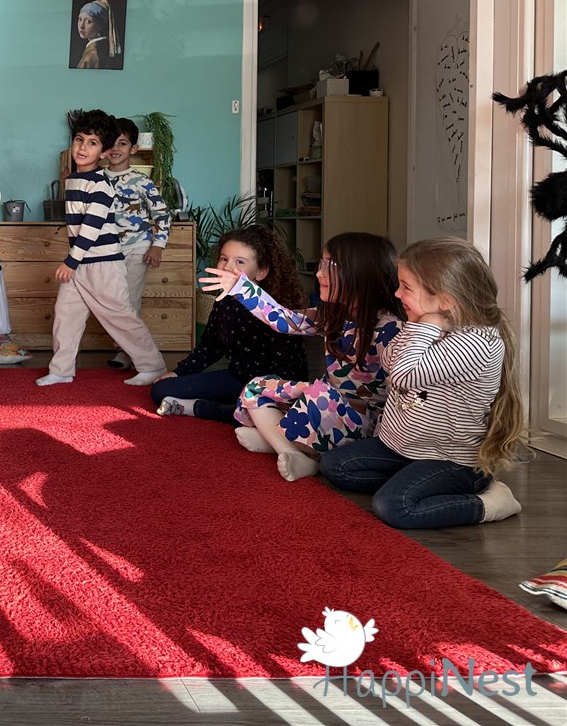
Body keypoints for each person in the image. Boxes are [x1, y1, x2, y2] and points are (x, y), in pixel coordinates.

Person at [320, 238, 526, 528]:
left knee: (393, 506)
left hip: (449, 459)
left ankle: (488, 503)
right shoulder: (429, 325)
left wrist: (425, 325)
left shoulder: (476, 343)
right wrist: (420, 324)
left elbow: (403, 376)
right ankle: (417, 482)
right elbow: (390, 360)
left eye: (406, 287)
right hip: (404, 448)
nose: (396, 293)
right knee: (334, 466)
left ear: (445, 300)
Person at [199, 231, 403, 481]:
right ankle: (290, 450)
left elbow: (399, 391)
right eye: (321, 264)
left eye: (330, 267)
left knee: (320, 394)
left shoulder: (389, 328)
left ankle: (278, 441)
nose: (319, 274)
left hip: (363, 420)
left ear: (361, 273)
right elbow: (283, 320)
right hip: (326, 403)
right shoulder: (333, 316)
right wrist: (242, 288)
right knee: (256, 388)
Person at [37, 110, 167, 388]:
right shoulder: (73, 179)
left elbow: (91, 227)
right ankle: (61, 369)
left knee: (120, 316)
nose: (83, 147)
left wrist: (71, 261)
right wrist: (75, 261)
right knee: (66, 315)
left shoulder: (101, 185)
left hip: (102, 263)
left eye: (92, 143)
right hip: (80, 262)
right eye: (79, 140)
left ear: (104, 152)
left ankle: (152, 366)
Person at [153, 225, 308, 422]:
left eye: (240, 261)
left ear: (261, 272)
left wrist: (271, 397)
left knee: (267, 411)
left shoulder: (274, 308)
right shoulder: (224, 302)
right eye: (224, 259)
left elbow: (286, 368)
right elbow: (210, 346)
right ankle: (234, 407)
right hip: (238, 378)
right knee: (161, 390)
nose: (227, 267)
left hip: (275, 386)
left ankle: (200, 408)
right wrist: (178, 373)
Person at [102, 116, 170, 370]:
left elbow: (162, 215)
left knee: (128, 302)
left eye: (122, 143)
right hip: (107, 250)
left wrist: (158, 245)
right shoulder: (97, 179)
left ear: (134, 149)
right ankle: (130, 350)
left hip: (136, 247)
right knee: (113, 300)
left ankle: (129, 353)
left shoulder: (141, 181)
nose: (115, 148)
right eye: (111, 142)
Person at [75, 0, 121, 70]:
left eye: (88, 21)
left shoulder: (94, 53)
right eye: (80, 19)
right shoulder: (100, 48)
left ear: (100, 26)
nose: (81, 26)